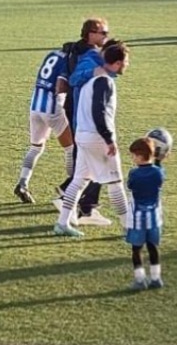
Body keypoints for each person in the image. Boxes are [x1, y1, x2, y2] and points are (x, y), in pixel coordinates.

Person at [54, 42, 132, 238]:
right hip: (97, 138)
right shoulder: (104, 82)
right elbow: (100, 111)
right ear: (116, 63)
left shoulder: (90, 80)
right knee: (115, 183)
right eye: (125, 62)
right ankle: (129, 228)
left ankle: (62, 223)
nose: (127, 65)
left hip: (82, 135)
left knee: (79, 180)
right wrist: (108, 138)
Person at [55, 18, 113, 226]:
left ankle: (75, 201)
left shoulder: (72, 49)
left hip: (73, 106)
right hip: (84, 110)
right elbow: (75, 78)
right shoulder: (89, 56)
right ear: (90, 33)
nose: (105, 36)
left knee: (86, 158)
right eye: (102, 33)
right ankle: (82, 205)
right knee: (95, 160)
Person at [15, 47, 74, 204]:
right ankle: (71, 188)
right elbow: (61, 85)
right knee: (71, 148)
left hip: (35, 105)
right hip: (52, 107)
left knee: (35, 147)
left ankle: (22, 183)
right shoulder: (68, 60)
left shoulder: (52, 54)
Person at [125, 137, 165, 290]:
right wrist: (159, 160)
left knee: (136, 249)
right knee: (153, 247)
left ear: (141, 156)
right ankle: (156, 278)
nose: (132, 158)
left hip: (137, 219)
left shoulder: (134, 174)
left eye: (134, 155)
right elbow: (160, 174)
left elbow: (130, 186)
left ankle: (140, 280)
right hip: (154, 219)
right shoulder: (158, 173)